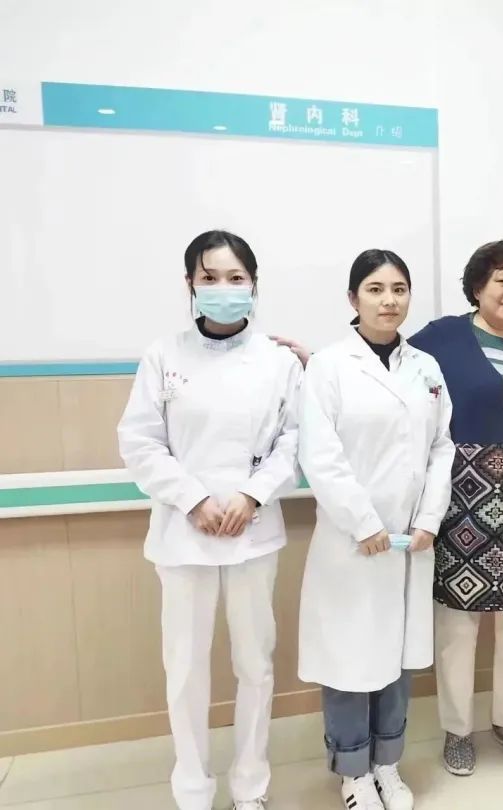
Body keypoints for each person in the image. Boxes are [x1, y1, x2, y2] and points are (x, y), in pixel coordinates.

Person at [117, 230, 302, 810]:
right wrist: (194, 499)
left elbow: (294, 441)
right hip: (183, 534)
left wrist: (252, 495)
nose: (223, 288)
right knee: (186, 669)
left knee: (255, 665)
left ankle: (250, 787)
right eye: (210, 278)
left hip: (253, 532)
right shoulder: (163, 355)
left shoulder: (278, 361)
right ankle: (193, 791)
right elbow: (140, 441)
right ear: (190, 285)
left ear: (254, 285)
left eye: (236, 278)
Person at [297, 249, 454, 810]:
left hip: (411, 540)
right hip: (352, 542)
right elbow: (321, 456)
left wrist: (430, 518)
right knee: (349, 660)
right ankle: (353, 772)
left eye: (399, 289)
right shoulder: (329, 366)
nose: (389, 300)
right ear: (353, 298)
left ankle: (387, 763)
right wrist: (363, 523)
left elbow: (442, 447)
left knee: (397, 657)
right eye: (375, 289)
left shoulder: (426, 367)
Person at [409, 240, 503, 777]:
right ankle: (457, 730)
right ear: (478, 286)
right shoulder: (444, 336)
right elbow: (391, 368)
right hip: (460, 495)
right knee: (458, 621)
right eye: (501, 280)